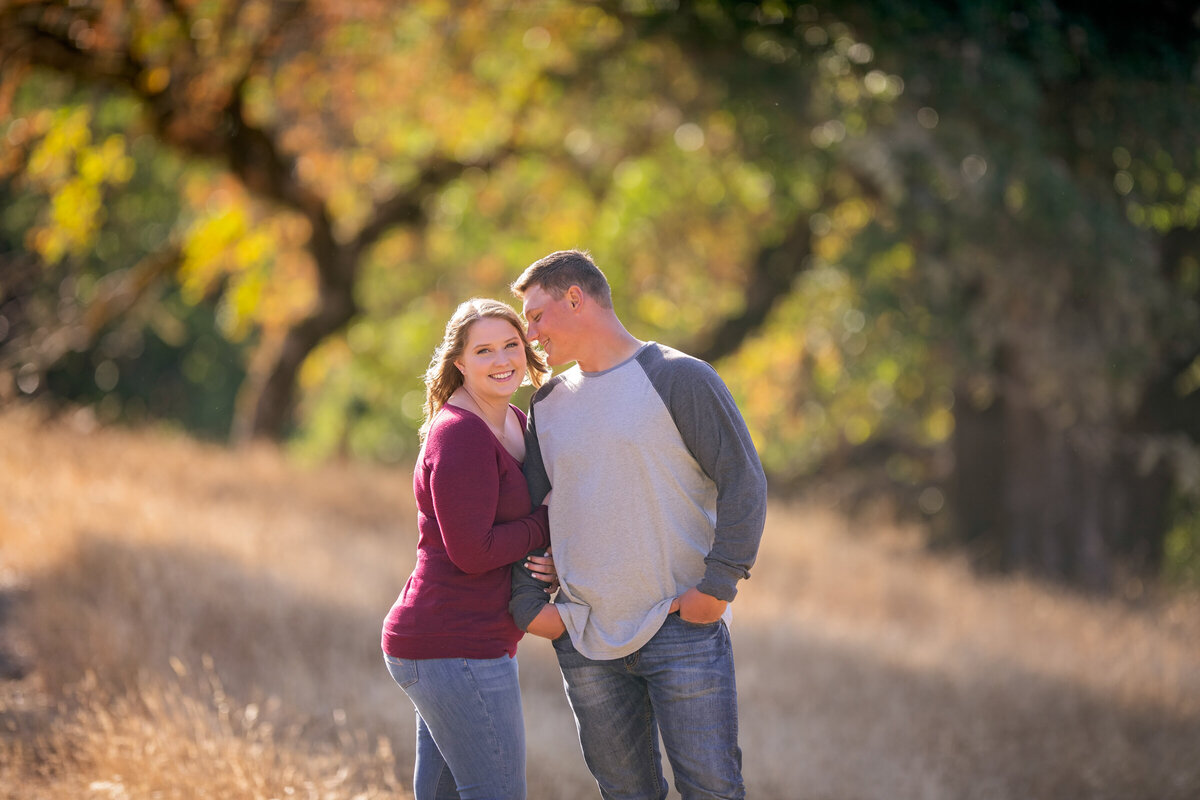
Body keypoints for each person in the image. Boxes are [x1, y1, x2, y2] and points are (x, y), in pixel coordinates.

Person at [509, 250, 768, 800]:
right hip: (586, 639)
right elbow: (530, 512)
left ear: (575, 298)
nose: (530, 335)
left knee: (713, 790)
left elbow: (743, 481)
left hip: (679, 626)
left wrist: (717, 587)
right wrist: (531, 608)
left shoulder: (680, 377)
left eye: (536, 316)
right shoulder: (548, 403)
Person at [381, 297, 558, 800]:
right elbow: (473, 552)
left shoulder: (514, 421)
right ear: (459, 362)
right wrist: (546, 525)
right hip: (454, 645)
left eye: (511, 345)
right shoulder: (460, 435)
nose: (502, 360)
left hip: (460, 644)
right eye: (484, 350)